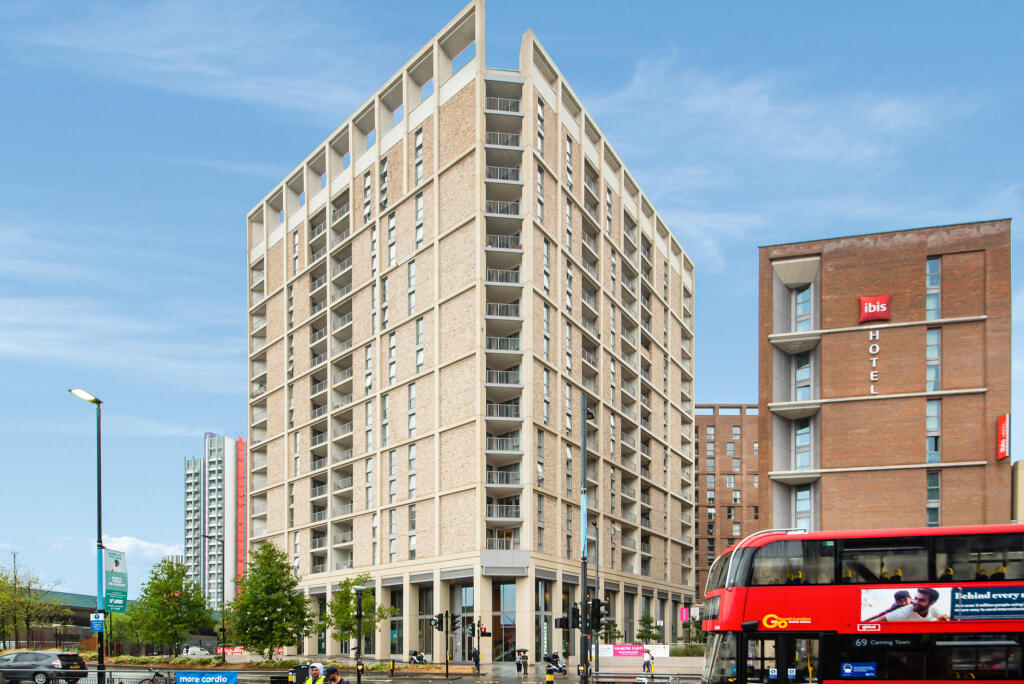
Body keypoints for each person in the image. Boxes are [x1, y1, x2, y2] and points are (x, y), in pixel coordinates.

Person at [870, 588, 947, 622]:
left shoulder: (934, 610)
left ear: (932, 603)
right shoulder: (904, 611)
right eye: (915, 598)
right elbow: (876, 621)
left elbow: (944, 621)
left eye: (921, 600)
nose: (915, 602)